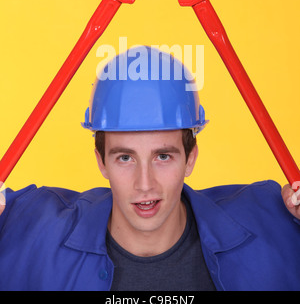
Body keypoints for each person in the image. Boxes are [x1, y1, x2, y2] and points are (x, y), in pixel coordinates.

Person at [0, 46, 299, 291]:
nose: (145, 184)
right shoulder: (27, 226)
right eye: (125, 158)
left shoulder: (275, 221)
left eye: (163, 157)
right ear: (101, 161)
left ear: (191, 157)